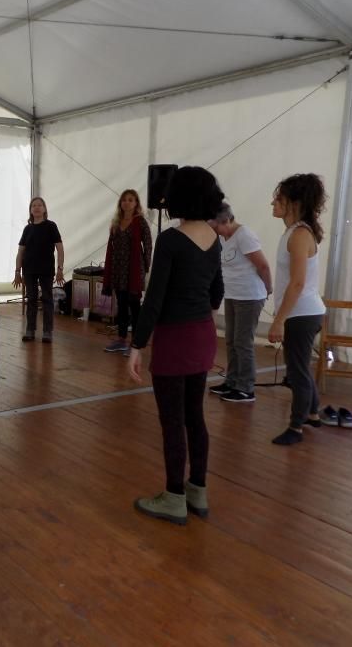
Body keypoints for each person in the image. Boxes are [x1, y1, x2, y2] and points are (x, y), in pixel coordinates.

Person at [127, 167, 224, 525]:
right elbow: (217, 294)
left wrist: (137, 344)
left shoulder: (171, 240)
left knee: (172, 422)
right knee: (195, 417)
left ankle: (173, 496)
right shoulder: (215, 238)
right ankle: (197, 490)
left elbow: (154, 299)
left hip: (174, 338)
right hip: (202, 335)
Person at [268, 174, 335, 444]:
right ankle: (312, 414)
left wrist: (278, 321)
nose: (272, 202)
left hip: (302, 313)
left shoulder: (299, 235)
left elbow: (297, 283)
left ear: (294, 203)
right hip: (304, 312)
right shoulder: (295, 232)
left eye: (279, 198)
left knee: (296, 370)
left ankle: (296, 427)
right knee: (301, 367)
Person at [208, 202, 273, 403]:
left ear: (226, 220)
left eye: (217, 226)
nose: (216, 231)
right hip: (233, 294)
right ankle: (232, 381)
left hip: (250, 296)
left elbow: (262, 265)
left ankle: (246, 387)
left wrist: (268, 288)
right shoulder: (224, 237)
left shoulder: (244, 235)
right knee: (231, 340)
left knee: (243, 342)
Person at [101, 189, 153, 355]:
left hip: (134, 271)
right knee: (122, 305)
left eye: (130, 200)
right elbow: (112, 247)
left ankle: (135, 343)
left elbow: (148, 245)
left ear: (136, 203)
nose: (127, 203)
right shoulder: (116, 222)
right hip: (118, 270)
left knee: (134, 306)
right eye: (124, 200)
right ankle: (121, 340)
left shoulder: (141, 222)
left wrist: (145, 266)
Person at [12, 197, 64, 343]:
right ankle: (30, 330)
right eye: (33, 205)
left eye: (39, 205)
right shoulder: (27, 229)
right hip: (29, 270)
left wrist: (60, 268)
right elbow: (20, 252)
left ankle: (47, 331)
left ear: (44, 209)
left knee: (47, 299)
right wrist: (17, 271)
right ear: (30, 210)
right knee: (32, 299)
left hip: (46, 269)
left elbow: (60, 248)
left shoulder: (51, 226)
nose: (36, 208)